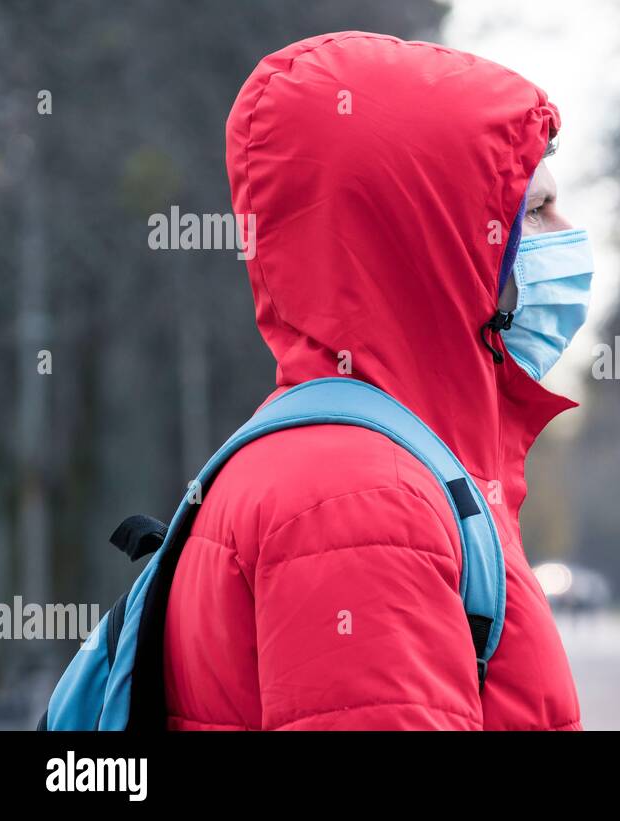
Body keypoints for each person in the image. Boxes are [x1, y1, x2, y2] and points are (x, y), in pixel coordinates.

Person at [161, 32, 591, 730]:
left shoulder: (389, 463)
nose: (567, 231)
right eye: (536, 210)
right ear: (445, 242)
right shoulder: (362, 499)